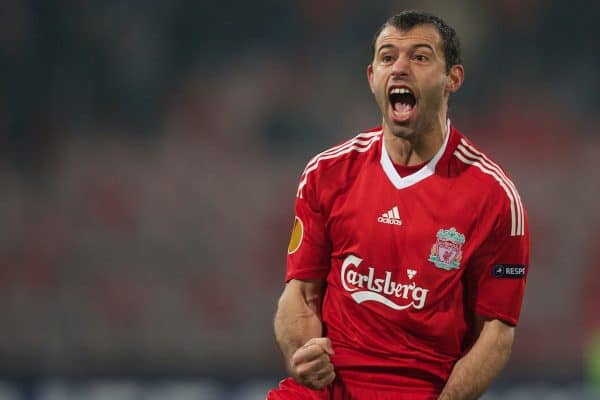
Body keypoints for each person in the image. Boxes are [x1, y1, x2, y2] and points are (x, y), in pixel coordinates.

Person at [267, 10, 530, 400]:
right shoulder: (327, 173)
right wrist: (301, 354)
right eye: (388, 58)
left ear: (453, 79)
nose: (400, 69)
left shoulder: (494, 198)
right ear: (372, 77)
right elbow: (300, 293)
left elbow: (495, 332)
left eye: (420, 57)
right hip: (325, 392)